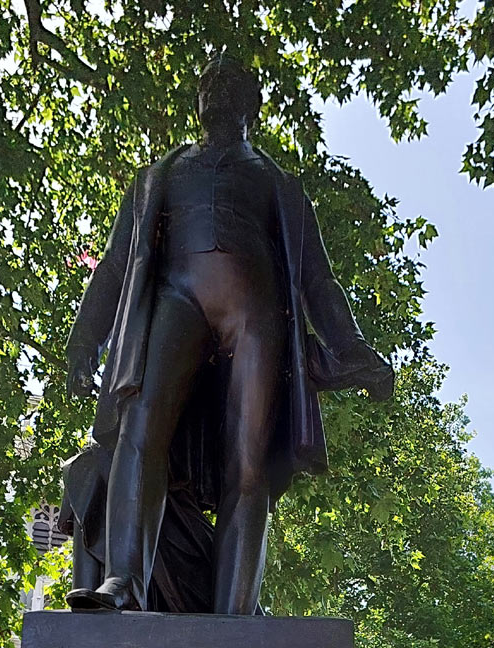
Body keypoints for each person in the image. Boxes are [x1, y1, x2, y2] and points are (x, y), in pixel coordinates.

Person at [65, 51, 392, 616]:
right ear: (197, 102)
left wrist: (352, 349)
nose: (216, 88)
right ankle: (123, 582)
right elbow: (117, 269)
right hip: (176, 301)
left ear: (252, 105)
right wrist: (83, 343)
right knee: (139, 431)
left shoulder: (278, 184)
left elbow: (319, 280)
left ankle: (234, 611)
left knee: (249, 463)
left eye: (230, 79)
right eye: (208, 81)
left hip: (257, 314)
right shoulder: (158, 178)